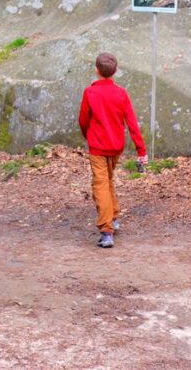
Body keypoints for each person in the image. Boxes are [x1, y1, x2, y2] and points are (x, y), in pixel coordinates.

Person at [78, 52, 147, 248]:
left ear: (96, 70)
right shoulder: (121, 93)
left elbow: (83, 120)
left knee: (100, 185)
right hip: (116, 146)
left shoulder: (90, 93)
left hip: (98, 147)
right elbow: (132, 124)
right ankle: (114, 217)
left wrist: (89, 137)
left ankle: (106, 230)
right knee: (107, 180)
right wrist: (142, 151)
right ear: (115, 71)